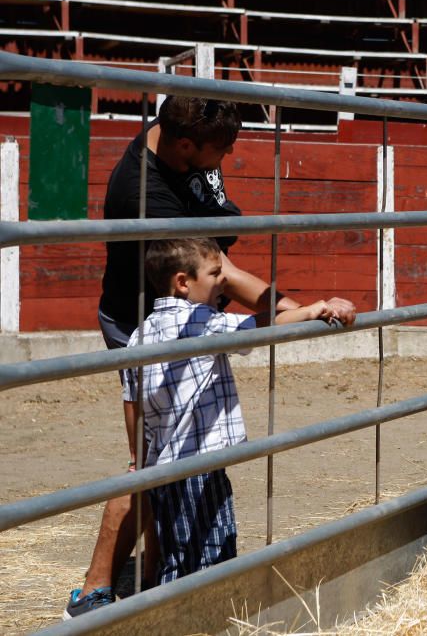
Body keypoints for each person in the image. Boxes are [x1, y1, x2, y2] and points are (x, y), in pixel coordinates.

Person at [65, 96, 355, 619]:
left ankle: (155, 579)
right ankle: (96, 586)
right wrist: (300, 311)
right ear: (183, 145)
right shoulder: (144, 193)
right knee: (149, 460)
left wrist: (296, 309)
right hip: (141, 317)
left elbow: (219, 262)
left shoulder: (186, 139)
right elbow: (220, 267)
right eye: (216, 156)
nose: (221, 166)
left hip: (193, 313)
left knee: (174, 457)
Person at [126, 238, 339, 584]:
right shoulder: (202, 322)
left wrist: (139, 456)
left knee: (176, 556)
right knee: (214, 553)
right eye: (214, 273)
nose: (224, 280)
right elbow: (257, 328)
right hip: (201, 467)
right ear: (183, 282)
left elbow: (131, 399)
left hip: (161, 471)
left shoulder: (139, 336)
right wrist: (312, 309)